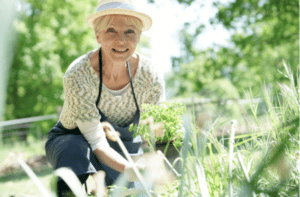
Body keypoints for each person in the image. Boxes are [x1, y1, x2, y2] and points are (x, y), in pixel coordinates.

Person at [45, 0, 166, 196]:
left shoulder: (149, 74)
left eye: (129, 32)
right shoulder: (78, 74)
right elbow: (95, 139)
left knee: (137, 191)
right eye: (111, 30)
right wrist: (129, 169)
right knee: (74, 150)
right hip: (75, 140)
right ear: (97, 35)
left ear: (139, 36)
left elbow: (156, 132)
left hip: (123, 145)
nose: (121, 40)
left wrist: (150, 162)